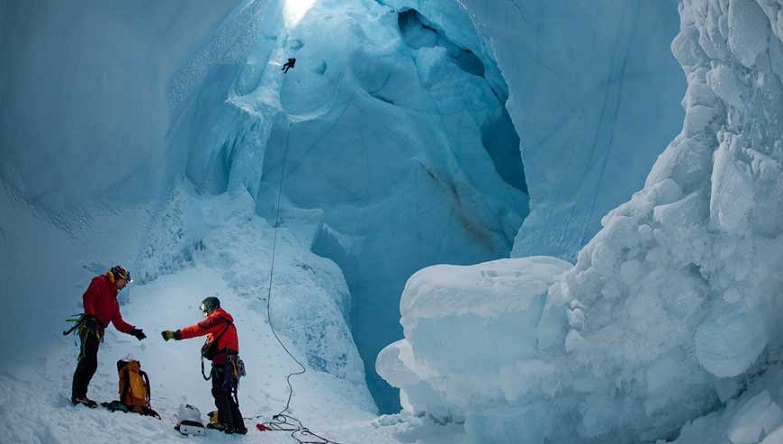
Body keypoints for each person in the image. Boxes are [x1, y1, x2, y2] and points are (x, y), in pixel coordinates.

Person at [161, 297, 247, 435]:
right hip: (230, 363)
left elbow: (199, 329)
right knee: (225, 393)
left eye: (205, 311)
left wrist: (177, 334)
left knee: (219, 392)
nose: (205, 315)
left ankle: (226, 424)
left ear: (210, 307)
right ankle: (238, 425)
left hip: (223, 363)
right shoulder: (227, 322)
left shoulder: (218, 318)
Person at [71, 265, 146, 408]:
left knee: (89, 362)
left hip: (97, 331)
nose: (124, 285)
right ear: (118, 277)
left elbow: (118, 322)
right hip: (90, 328)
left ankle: (79, 395)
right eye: (124, 282)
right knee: (88, 362)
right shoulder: (100, 282)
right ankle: (78, 396)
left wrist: (133, 331)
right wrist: (91, 317)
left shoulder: (113, 300)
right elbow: (89, 297)